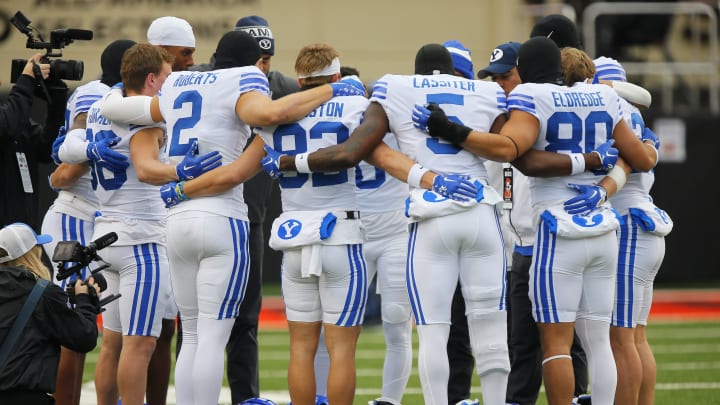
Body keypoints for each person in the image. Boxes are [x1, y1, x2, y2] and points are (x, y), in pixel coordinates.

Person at [98, 30, 366, 405]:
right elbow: (269, 114)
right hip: (223, 216)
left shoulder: (176, 82)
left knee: (189, 333)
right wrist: (337, 90)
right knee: (210, 336)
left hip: (175, 220)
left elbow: (119, 107)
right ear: (258, 63)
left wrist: (107, 93)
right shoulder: (246, 79)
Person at [413, 36, 658, 405]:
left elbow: (516, 154)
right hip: (604, 224)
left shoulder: (530, 97)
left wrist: (450, 129)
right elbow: (640, 156)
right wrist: (611, 164)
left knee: (556, 343)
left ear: (524, 71)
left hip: (558, 227)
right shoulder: (606, 98)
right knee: (599, 339)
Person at [263, 43, 511, 405]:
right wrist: (433, 178)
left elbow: (247, 160)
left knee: (315, 341)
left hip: (336, 229)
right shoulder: (367, 105)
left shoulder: (379, 97)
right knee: (474, 325)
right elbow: (509, 148)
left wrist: (179, 186)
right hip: (365, 231)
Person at [59, 43, 179, 405]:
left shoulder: (98, 107)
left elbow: (65, 148)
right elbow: (148, 167)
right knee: (140, 343)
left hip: (106, 235)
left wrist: (84, 149)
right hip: (141, 237)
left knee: (112, 342)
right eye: (167, 76)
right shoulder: (145, 113)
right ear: (152, 78)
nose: (170, 83)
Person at [476, 40, 591, 405]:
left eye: (506, 76)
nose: (499, 85)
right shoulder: (502, 111)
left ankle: (576, 397)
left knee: (570, 341)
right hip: (522, 245)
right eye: (493, 78)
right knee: (522, 344)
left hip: (560, 238)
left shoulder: (542, 106)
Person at [41, 38, 135, 405]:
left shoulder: (127, 99)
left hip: (105, 221)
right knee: (72, 321)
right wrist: (95, 152)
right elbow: (64, 167)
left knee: (112, 324)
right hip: (76, 213)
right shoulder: (95, 94)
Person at [228, 15, 300, 404]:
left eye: (267, 57)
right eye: (256, 56)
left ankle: (246, 396)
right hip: (209, 205)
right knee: (194, 322)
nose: (262, 65)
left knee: (246, 315)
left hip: (250, 213)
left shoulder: (281, 84)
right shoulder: (211, 79)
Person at [592, 56, 671, 405]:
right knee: (636, 337)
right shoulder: (637, 117)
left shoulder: (612, 113)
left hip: (629, 229)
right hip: (645, 226)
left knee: (621, 338)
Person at [145, 16, 199, 405]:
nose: (193, 61)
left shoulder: (182, 91)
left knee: (170, 326)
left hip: (167, 218)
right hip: (141, 221)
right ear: (163, 52)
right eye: (186, 53)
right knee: (141, 332)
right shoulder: (125, 99)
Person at [0, 222, 100, 405]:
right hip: (25, 398)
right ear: (31, 255)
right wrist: (86, 301)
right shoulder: (42, 293)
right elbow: (84, 337)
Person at [0, 53, 66, 231]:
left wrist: (57, 101)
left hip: (23, 231)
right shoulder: (9, 120)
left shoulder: (14, 120)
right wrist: (27, 80)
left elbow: (46, 149)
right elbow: (7, 127)